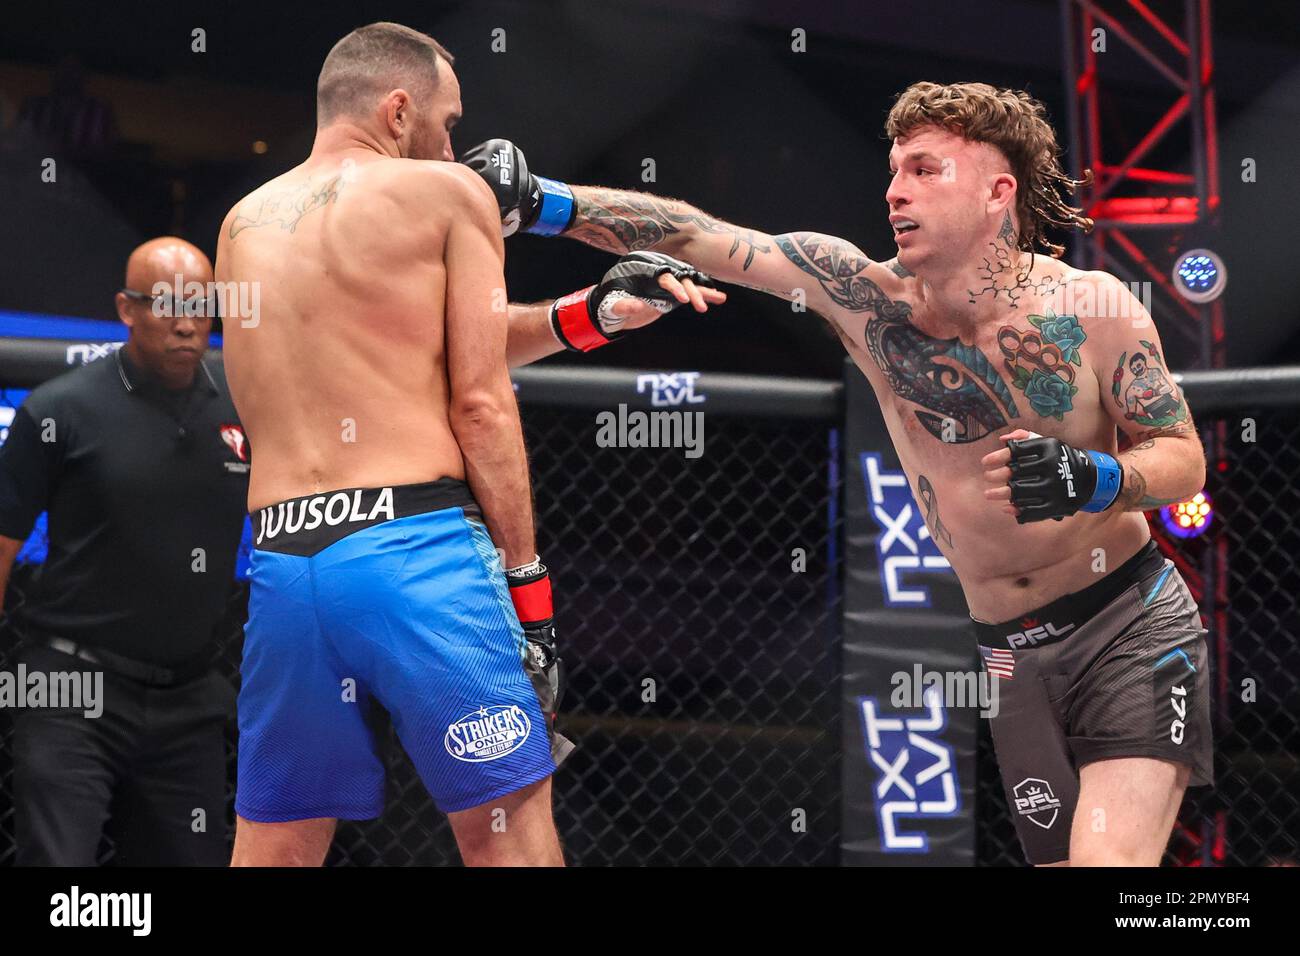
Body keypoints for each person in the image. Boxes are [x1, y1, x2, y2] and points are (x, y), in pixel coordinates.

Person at [462, 80, 1212, 867]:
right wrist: (545, 201)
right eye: (894, 171)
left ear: (999, 193)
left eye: (925, 170)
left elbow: (1181, 456)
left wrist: (1095, 478)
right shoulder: (866, 299)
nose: (895, 192)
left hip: (1127, 622)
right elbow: (700, 237)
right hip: (1009, 649)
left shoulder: (1091, 307)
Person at [214, 21, 723, 867]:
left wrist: (589, 315)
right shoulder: (449, 197)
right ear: (400, 107)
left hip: (284, 562)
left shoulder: (244, 223)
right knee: (508, 833)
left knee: (277, 843)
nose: (456, 145)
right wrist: (531, 590)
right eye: (449, 123)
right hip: (413, 551)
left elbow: (407, 345)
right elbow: (480, 399)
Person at [0, 237, 245, 865]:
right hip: (67, 685)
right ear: (126, 309)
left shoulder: (245, 409)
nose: (187, 321)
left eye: (200, 303)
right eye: (165, 303)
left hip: (188, 695)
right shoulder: (60, 410)